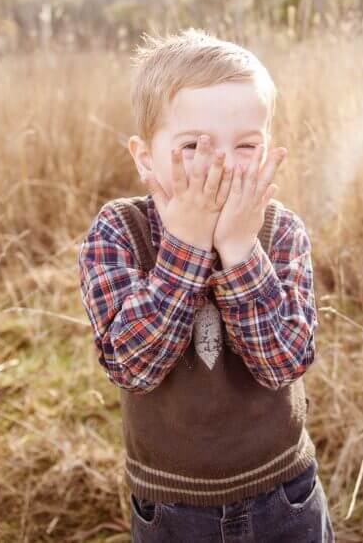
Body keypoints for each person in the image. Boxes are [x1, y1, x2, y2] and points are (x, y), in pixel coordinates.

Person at [77, 28, 334, 542]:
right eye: (194, 144)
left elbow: (285, 361)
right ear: (145, 157)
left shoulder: (280, 231)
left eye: (245, 145)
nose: (220, 164)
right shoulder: (118, 231)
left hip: (284, 493)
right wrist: (187, 246)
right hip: (173, 510)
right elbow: (133, 366)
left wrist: (240, 249)